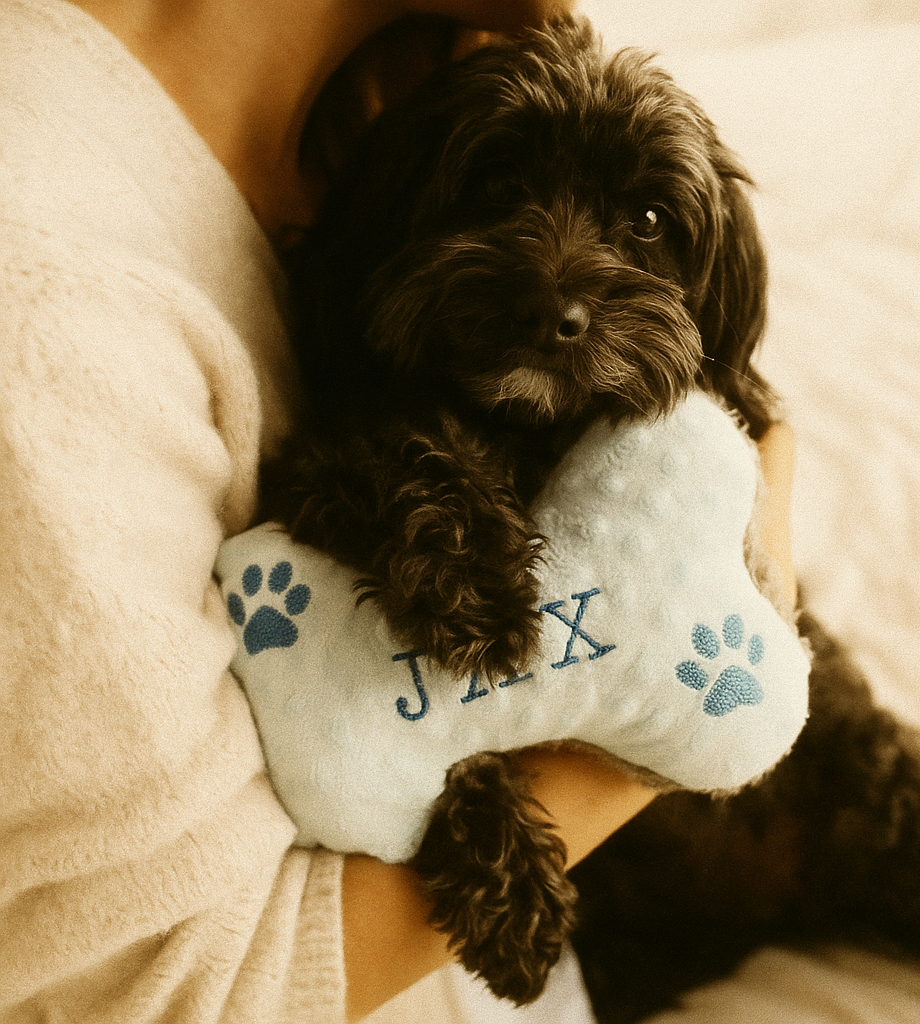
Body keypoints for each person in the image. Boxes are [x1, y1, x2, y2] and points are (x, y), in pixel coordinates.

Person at [0, 0, 797, 1020]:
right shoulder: (53, 295)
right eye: (501, 191)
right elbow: (184, 981)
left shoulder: (365, 118)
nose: (559, 294)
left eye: (641, 227)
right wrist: (702, 664)